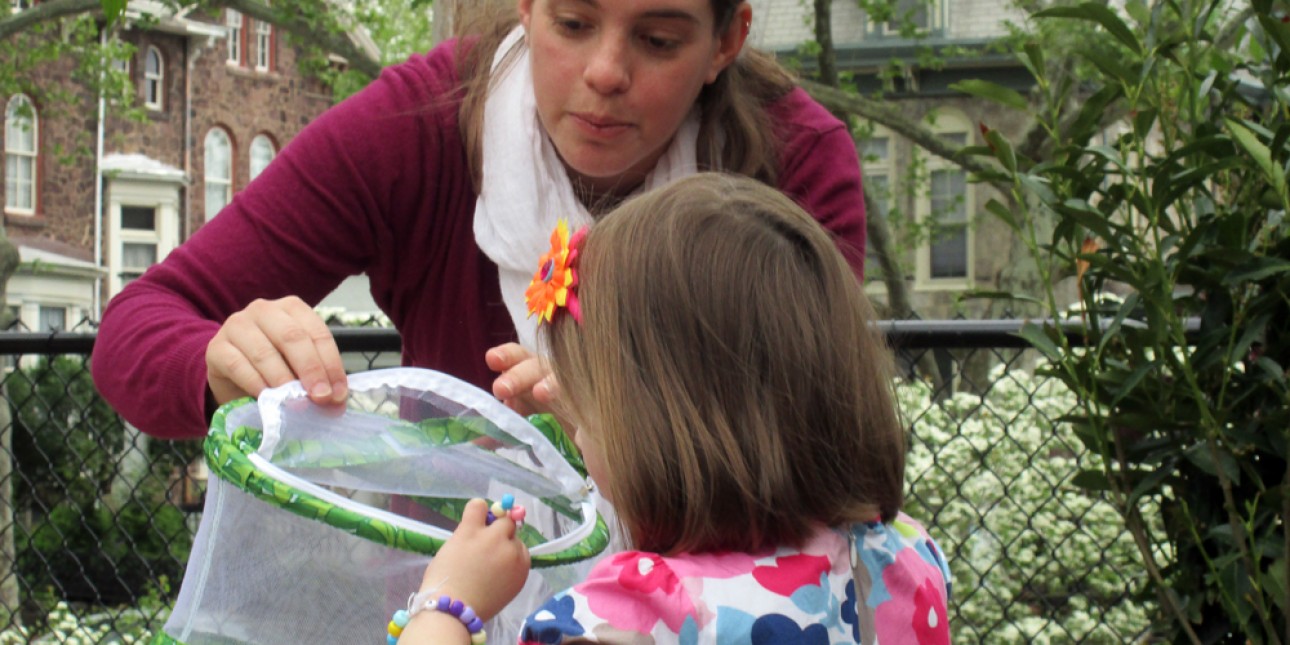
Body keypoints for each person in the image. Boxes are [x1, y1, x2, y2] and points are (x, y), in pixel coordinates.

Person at [90, 0, 869, 440]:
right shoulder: (416, 125)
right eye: (572, 22)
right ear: (526, 6)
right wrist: (219, 359)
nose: (605, 71)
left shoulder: (795, 158)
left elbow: (827, 432)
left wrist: (633, 413)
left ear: (727, 41)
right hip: (449, 593)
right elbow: (136, 327)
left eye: (658, 40)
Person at [390, 173, 951, 645]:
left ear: (656, 428)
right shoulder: (903, 556)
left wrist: (446, 605)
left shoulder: (633, 615)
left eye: (591, 409)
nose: (580, 432)